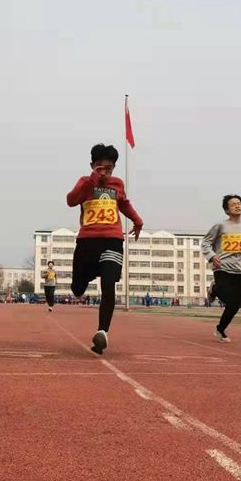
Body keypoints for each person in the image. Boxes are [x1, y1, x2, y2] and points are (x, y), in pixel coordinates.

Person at [66, 143, 144, 355]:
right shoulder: (85, 182)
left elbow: (124, 204)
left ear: (114, 168)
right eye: (99, 167)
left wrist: (137, 221)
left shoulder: (117, 184)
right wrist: (92, 180)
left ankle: (102, 332)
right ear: (92, 165)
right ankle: (84, 278)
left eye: (108, 168)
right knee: (78, 289)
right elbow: (71, 200)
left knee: (109, 283)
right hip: (87, 242)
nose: (104, 171)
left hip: (112, 240)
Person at [201, 194, 241, 343]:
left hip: (238, 270)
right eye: (233, 204)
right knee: (226, 296)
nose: (237, 206)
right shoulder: (220, 226)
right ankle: (214, 289)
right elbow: (205, 243)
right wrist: (211, 256)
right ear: (226, 210)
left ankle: (220, 330)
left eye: (239, 203)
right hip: (221, 267)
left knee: (235, 306)